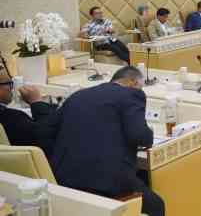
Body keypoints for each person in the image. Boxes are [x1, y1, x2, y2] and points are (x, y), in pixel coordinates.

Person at [46, 66, 165, 216]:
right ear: (133, 82)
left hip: (64, 179)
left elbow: (45, 131)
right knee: (156, 206)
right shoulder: (131, 94)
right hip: (106, 182)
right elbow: (139, 135)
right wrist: (149, 134)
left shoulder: (78, 95)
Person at [0, 72, 56, 153]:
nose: (12, 88)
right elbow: (49, 137)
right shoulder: (12, 118)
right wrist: (37, 102)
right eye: (9, 83)